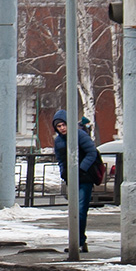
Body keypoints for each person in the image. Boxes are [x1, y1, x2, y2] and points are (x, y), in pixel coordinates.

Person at [52, 108, 100, 253]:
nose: (62, 128)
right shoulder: (59, 141)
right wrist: (64, 172)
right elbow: (60, 159)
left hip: (84, 178)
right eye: (59, 126)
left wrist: (80, 169)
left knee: (80, 210)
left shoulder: (80, 135)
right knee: (73, 211)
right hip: (71, 179)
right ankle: (79, 241)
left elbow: (92, 152)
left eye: (64, 125)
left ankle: (78, 241)